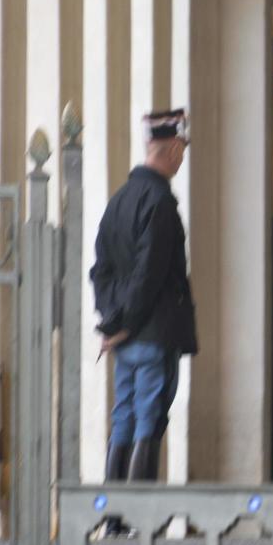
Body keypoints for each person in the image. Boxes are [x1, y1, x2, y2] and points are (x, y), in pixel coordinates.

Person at [90, 109, 198, 493]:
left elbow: (101, 269)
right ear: (168, 149)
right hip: (153, 332)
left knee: (124, 415)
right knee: (149, 416)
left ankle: (115, 514)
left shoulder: (118, 201)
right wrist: (123, 325)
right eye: (181, 150)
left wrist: (112, 321)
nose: (182, 158)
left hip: (127, 334)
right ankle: (138, 513)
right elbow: (149, 276)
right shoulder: (161, 203)